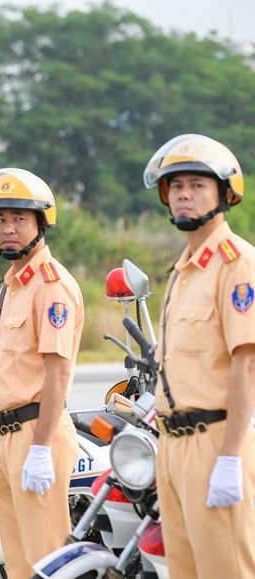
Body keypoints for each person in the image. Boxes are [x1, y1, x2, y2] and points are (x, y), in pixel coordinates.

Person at [143, 134, 255, 578]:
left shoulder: (237, 264)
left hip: (216, 442)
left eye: (197, 185)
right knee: (184, 570)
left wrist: (230, 457)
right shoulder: (183, 271)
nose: (184, 194)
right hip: (172, 446)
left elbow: (246, 364)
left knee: (225, 567)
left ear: (225, 194)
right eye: (176, 187)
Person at [0, 168, 82, 579]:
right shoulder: (13, 285)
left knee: (46, 560)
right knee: (16, 561)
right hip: (5, 437)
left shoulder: (51, 286)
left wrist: (40, 447)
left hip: (38, 434)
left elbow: (57, 374)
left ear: (40, 223)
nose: (7, 228)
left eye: (18, 218)